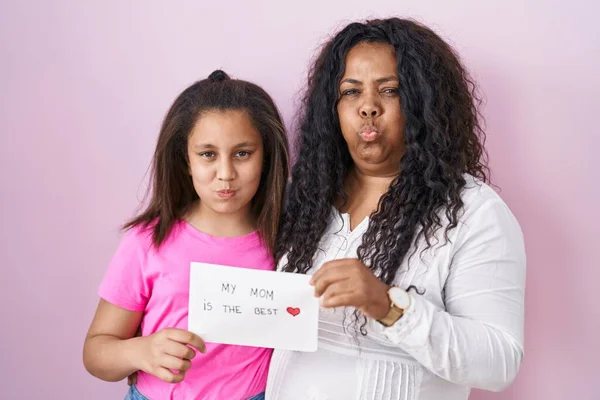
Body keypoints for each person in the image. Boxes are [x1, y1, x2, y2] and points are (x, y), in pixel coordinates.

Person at [267, 18, 526, 400]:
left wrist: (387, 305)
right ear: (332, 109)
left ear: (424, 103)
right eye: (351, 92)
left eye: (390, 90)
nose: (368, 108)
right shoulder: (306, 199)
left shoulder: (474, 211)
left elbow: (499, 363)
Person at [83, 70, 289, 400]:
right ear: (185, 161)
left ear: (266, 158)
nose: (226, 174)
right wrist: (142, 352)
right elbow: (95, 352)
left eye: (242, 153)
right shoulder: (148, 241)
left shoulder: (288, 243)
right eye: (208, 154)